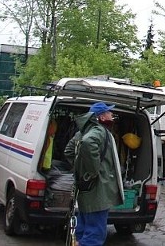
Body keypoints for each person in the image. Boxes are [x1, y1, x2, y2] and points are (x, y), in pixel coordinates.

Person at [64, 102, 124, 246]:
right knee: (95, 234)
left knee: (82, 229)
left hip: (85, 190)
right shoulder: (99, 131)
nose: (112, 115)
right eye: (109, 113)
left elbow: (69, 151)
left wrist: (81, 169)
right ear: (102, 117)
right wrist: (92, 170)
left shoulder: (81, 131)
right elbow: (88, 142)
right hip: (98, 191)